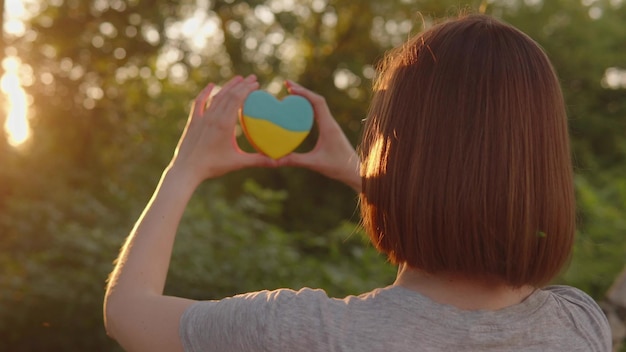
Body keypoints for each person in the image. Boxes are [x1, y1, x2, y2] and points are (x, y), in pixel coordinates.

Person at [103, 14, 612, 351]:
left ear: (390, 147)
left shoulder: (304, 333)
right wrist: (364, 176)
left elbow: (129, 313)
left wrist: (184, 167)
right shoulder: (578, 326)